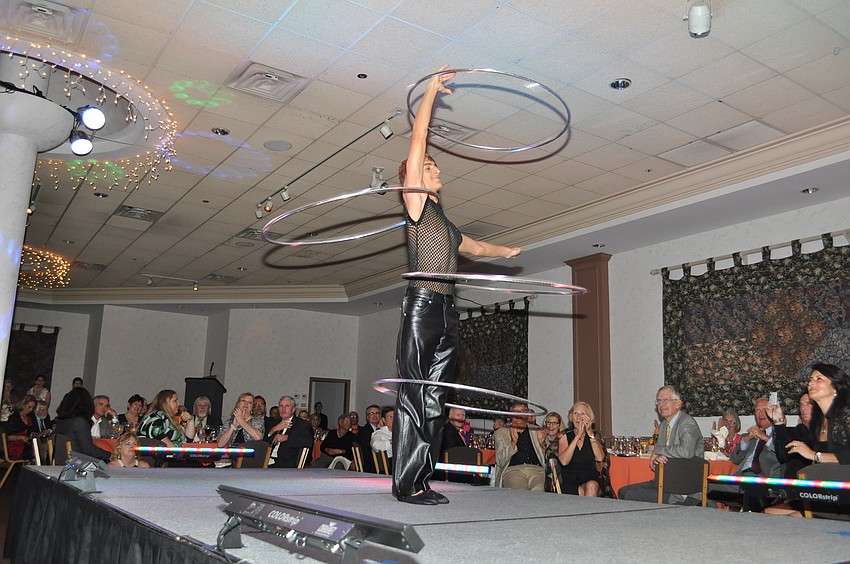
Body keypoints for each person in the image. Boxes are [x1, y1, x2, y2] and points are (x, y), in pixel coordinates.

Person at [393, 65, 522, 506]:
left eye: (433, 167)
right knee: (414, 394)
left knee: (436, 400)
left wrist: (505, 253)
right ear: (413, 177)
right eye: (430, 167)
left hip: (448, 312)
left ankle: (421, 479)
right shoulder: (416, 206)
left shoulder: (444, 224)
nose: (436, 170)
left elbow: (476, 246)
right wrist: (429, 91)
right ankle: (405, 483)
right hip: (423, 307)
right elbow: (418, 137)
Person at [767, 363, 850, 517]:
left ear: (836, 387)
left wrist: (814, 455)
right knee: (768, 515)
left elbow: (846, 456)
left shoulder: (845, 415)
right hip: (823, 492)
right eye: (810, 379)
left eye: (819, 379)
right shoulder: (818, 422)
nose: (811, 383)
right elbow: (786, 455)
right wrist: (778, 421)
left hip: (841, 496)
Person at [619, 386, 703, 504]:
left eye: (666, 400)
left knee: (629, 495)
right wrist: (656, 459)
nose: (661, 404)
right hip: (664, 481)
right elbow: (657, 459)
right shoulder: (664, 425)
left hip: (682, 488)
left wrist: (658, 450)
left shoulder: (687, 423)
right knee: (623, 491)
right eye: (659, 401)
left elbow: (686, 452)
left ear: (678, 404)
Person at [709, 398, 780, 511]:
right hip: (741, 478)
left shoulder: (780, 435)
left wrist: (765, 437)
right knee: (708, 486)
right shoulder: (748, 436)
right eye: (757, 410)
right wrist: (746, 440)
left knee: (751, 489)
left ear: (773, 412)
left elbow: (782, 454)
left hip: (763, 480)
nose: (760, 414)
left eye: (764, 410)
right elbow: (734, 459)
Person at [494, 403, 546, 491]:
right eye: (516, 412)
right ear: (511, 415)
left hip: (536, 470)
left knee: (538, 490)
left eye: (522, 412)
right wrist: (513, 443)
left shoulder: (536, 430)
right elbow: (499, 461)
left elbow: (548, 457)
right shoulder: (501, 432)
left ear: (527, 414)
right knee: (519, 491)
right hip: (513, 470)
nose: (519, 415)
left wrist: (542, 443)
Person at [558, 402, 605, 497]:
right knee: (578, 492)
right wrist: (577, 436)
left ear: (589, 417)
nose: (579, 417)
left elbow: (600, 458)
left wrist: (590, 434)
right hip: (570, 478)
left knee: (591, 486)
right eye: (576, 413)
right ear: (571, 417)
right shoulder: (564, 436)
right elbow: (564, 461)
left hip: (589, 476)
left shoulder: (594, 435)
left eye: (583, 414)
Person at [53, 387, 111, 462]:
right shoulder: (80, 422)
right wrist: (110, 455)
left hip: (63, 459)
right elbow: (88, 449)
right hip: (78, 461)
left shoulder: (61, 421)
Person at [774, 392, 815, 479]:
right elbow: (783, 456)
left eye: (809, 404)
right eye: (801, 405)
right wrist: (778, 423)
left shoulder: (829, 431)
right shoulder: (792, 432)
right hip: (794, 483)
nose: (803, 408)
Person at [266, 395, 313, 468]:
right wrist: (273, 430)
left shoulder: (301, 424)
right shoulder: (274, 422)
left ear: (293, 409)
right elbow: (264, 442)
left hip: (287, 462)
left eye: (287, 406)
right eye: (281, 406)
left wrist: (287, 438)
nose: (283, 409)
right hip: (268, 459)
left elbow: (308, 442)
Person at [538, 411, 564, 493]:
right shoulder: (540, 438)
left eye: (554, 423)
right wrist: (541, 443)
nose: (551, 425)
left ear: (559, 425)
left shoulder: (563, 439)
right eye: (548, 422)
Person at [356, 404, 382, 473]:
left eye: (377, 413)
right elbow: (367, 454)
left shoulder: (380, 430)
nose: (374, 416)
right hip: (371, 467)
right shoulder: (364, 432)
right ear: (367, 417)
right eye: (371, 413)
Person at [371, 406, 395, 472]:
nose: (393, 419)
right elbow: (375, 445)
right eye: (390, 417)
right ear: (383, 420)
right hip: (391, 467)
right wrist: (391, 441)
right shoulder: (379, 433)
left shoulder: (400, 433)